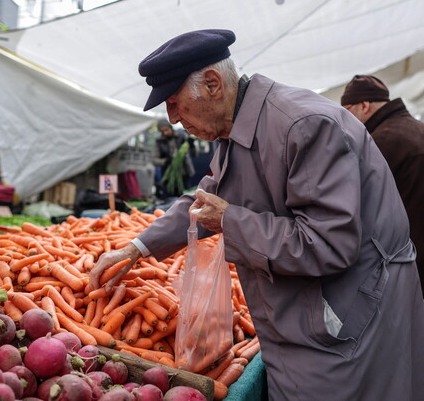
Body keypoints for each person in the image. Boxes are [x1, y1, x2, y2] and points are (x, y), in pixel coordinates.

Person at [89, 29, 424, 400]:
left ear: (213, 83)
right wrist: (135, 248)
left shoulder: (304, 125)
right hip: (299, 313)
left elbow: (329, 243)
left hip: (348, 313)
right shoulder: (235, 131)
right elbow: (205, 198)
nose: (173, 119)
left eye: (173, 102)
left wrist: (231, 221)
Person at [341, 74, 424, 294]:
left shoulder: (380, 142)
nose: (346, 119)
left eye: (347, 110)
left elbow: (358, 204)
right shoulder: (418, 127)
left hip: (409, 259)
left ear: (364, 105)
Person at [152, 118, 195, 199]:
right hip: (168, 176)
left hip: (184, 173)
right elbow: (154, 160)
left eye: (166, 130)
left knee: (185, 197)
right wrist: (165, 161)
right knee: (169, 197)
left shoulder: (182, 136)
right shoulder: (159, 141)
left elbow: (194, 154)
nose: (165, 133)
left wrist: (192, 145)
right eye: (162, 131)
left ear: (170, 127)